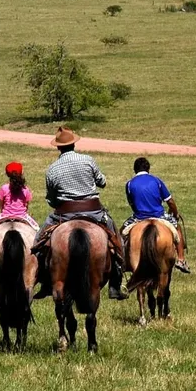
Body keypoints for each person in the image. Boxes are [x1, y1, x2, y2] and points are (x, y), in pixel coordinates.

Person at [32, 127, 128, 300]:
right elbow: (102, 182)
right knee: (116, 242)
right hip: (94, 211)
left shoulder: (52, 169)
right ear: (74, 144)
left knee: (38, 242)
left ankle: (44, 280)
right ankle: (115, 282)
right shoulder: (88, 160)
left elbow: (51, 198)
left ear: (58, 147)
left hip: (64, 213)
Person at [123, 157, 190, 274]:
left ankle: (121, 262)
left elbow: (132, 203)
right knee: (177, 228)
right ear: (148, 169)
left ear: (134, 170)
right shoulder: (157, 181)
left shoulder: (129, 184)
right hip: (159, 215)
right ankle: (181, 259)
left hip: (139, 217)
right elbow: (170, 201)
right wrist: (175, 213)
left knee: (121, 234)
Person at [0, 162, 38, 243]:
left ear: (7, 174)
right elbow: (26, 205)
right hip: (22, 216)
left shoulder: (4, 188)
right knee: (37, 230)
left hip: (5, 215)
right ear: (21, 174)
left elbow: (1, 206)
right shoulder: (25, 189)